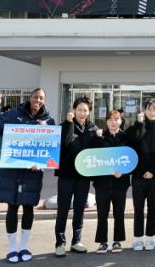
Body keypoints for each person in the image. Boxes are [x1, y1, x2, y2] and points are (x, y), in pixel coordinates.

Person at [0, 89, 55, 264]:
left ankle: (23, 246)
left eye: (41, 98)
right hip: (12, 171)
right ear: (30, 98)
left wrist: (43, 161)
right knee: (12, 207)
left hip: (32, 173)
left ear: (44, 100)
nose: (38, 100)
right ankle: (11, 249)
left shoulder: (48, 120)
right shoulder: (13, 114)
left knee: (29, 207)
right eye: (35, 97)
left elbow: (52, 148)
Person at [91, 110, 144, 254]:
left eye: (116, 119)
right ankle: (102, 242)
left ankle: (117, 241)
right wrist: (97, 139)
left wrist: (124, 171)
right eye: (110, 120)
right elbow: (93, 158)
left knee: (119, 213)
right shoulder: (100, 136)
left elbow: (132, 157)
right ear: (106, 121)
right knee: (102, 214)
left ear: (121, 121)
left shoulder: (126, 137)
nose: (113, 122)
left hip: (120, 183)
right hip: (102, 183)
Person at [54, 96, 98, 257]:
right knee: (63, 209)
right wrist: (68, 123)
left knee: (79, 209)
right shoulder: (65, 125)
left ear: (89, 112)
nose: (82, 113)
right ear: (74, 110)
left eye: (85, 110)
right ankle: (60, 243)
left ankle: (76, 241)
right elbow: (64, 144)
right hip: (66, 175)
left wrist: (100, 137)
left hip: (83, 177)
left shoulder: (93, 129)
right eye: (79, 109)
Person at [127, 98, 155, 251]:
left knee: (152, 209)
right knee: (138, 209)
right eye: (149, 109)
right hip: (138, 176)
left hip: (154, 176)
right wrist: (139, 123)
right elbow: (133, 142)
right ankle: (138, 239)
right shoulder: (136, 126)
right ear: (144, 110)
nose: (152, 112)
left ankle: (150, 238)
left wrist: (153, 172)